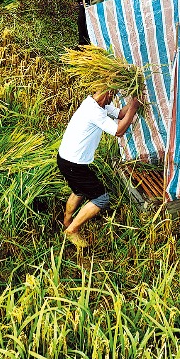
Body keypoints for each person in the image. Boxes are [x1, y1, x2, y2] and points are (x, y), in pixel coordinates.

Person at [58, 89, 141, 248]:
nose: (114, 97)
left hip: (66, 160)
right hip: (74, 164)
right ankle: (72, 230)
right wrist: (135, 108)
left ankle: (67, 221)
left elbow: (121, 115)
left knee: (79, 191)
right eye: (114, 94)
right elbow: (119, 131)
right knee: (101, 199)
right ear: (108, 93)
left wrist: (133, 102)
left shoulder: (96, 103)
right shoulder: (94, 111)